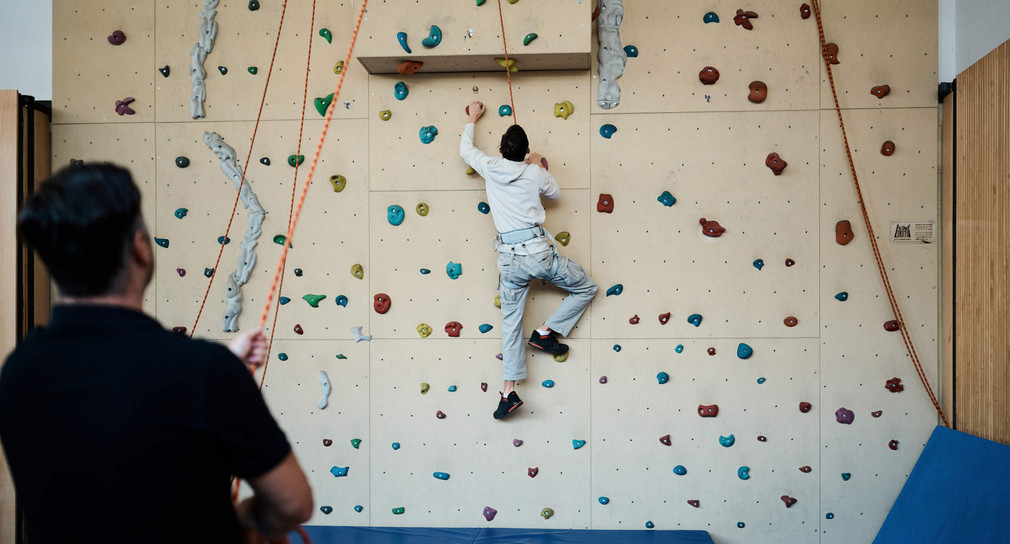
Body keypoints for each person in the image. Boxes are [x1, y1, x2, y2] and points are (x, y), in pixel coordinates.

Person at [0, 164, 313, 544]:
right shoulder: (204, 373)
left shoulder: (19, 374)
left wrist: (217, 372)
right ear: (140, 247)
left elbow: (111, 425)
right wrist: (248, 516)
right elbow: (293, 504)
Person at [460, 101, 598, 420]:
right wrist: (538, 165)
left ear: (501, 149)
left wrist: (472, 118)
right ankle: (546, 332)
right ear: (524, 151)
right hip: (537, 254)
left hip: (509, 259)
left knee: (510, 325)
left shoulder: (490, 166)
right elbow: (556, 195)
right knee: (586, 288)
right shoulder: (533, 172)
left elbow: (466, 149)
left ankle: (508, 392)